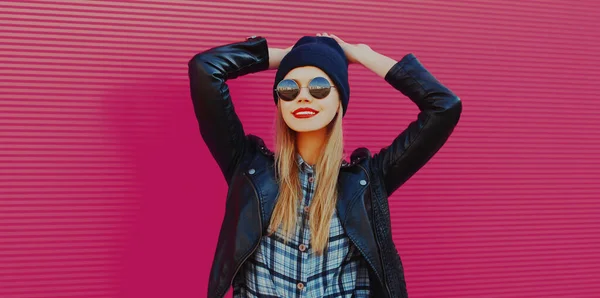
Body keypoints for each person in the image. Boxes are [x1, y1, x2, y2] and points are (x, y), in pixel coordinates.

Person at [188, 32, 462, 298]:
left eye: (319, 87)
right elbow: (205, 69)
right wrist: (289, 56)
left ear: (339, 99)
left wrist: (363, 55)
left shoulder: (367, 181)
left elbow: (444, 106)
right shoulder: (248, 168)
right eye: (288, 88)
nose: (303, 96)